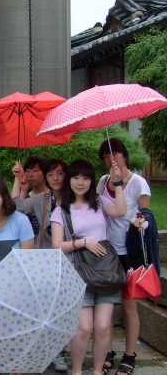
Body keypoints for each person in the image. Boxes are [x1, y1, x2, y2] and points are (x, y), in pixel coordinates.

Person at [51, 159, 127, 375]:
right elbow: (56, 246)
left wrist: (117, 183)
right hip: (79, 274)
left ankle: (97, 371)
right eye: (76, 177)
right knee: (83, 328)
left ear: (92, 181)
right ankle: (77, 370)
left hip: (105, 272)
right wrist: (83, 243)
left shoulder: (100, 202)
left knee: (103, 327)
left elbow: (121, 211)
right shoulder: (61, 211)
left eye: (85, 178)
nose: (80, 182)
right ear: (69, 180)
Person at [97, 139, 151, 375]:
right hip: (107, 252)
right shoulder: (102, 182)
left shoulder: (138, 182)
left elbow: (146, 214)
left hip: (130, 252)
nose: (111, 159)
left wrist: (141, 222)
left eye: (115, 154)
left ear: (124, 156)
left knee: (129, 306)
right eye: (106, 156)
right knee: (106, 306)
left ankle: (130, 355)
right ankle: (107, 352)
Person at [13, 158, 70, 372]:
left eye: (60, 174)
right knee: (44, 306)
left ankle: (58, 351)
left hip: (71, 259)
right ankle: (42, 350)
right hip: (45, 259)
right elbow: (17, 209)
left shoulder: (74, 199)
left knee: (62, 308)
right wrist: (22, 187)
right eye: (51, 174)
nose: (55, 178)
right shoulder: (43, 199)